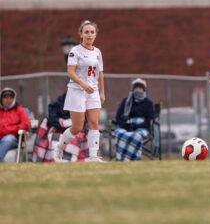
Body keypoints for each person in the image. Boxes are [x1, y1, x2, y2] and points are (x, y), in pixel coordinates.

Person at [54, 20, 106, 162]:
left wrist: (102, 92)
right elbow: (70, 72)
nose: (89, 35)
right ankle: (59, 146)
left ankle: (93, 156)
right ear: (81, 34)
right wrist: (83, 85)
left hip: (93, 91)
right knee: (77, 127)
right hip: (77, 90)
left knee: (94, 123)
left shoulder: (97, 52)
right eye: (86, 32)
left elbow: (100, 73)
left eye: (92, 32)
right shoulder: (75, 51)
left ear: (96, 34)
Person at [33, 87, 89, 162]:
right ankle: (56, 157)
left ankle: (67, 159)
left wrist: (72, 123)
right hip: (58, 129)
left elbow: (84, 119)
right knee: (53, 138)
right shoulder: (57, 102)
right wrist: (63, 123)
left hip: (75, 129)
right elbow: (52, 117)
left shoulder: (81, 103)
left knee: (74, 139)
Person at [114, 78, 156, 161]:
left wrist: (137, 125)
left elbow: (150, 118)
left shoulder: (148, 102)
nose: (138, 90)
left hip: (142, 127)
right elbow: (118, 116)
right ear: (133, 89)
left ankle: (133, 158)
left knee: (136, 136)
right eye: (136, 88)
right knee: (120, 134)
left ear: (144, 89)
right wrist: (126, 125)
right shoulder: (126, 101)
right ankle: (121, 159)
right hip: (126, 125)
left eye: (140, 88)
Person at [0, 87, 31, 162]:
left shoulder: (18, 109)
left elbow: (26, 124)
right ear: (1, 99)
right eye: (5, 98)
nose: (8, 100)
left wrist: (11, 129)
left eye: (10, 98)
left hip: (13, 138)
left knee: (7, 139)